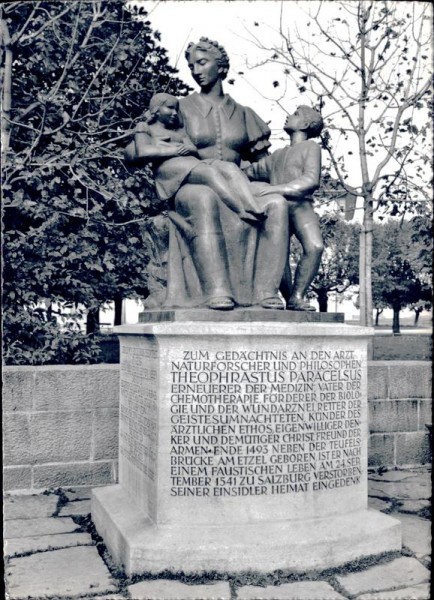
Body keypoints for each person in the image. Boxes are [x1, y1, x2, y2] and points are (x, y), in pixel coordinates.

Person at [126, 37, 290, 311]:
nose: (196, 70)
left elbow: (264, 164)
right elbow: (135, 150)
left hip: (236, 180)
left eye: (202, 63)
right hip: (189, 183)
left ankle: (265, 292)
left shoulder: (245, 114)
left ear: (222, 66)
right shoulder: (179, 109)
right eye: (192, 66)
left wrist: (289, 180)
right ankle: (217, 289)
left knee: (278, 204)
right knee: (204, 198)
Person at [132, 92, 267, 226]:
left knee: (230, 168)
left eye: (176, 109)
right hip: (170, 167)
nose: (174, 113)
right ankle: (239, 210)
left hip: (191, 161)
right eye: (169, 108)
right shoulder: (145, 127)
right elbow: (142, 151)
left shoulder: (177, 129)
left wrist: (188, 149)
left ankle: (251, 205)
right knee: (209, 173)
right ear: (156, 109)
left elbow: (192, 148)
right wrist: (174, 150)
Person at [245, 106, 324, 311]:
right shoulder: (277, 155)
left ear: (305, 125)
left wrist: (275, 189)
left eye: (296, 114)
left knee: (315, 246)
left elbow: (310, 180)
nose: (289, 116)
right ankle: (292, 298)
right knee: (278, 252)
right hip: (277, 209)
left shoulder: (310, 147)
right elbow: (251, 171)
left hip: (300, 205)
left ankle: (298, 294)